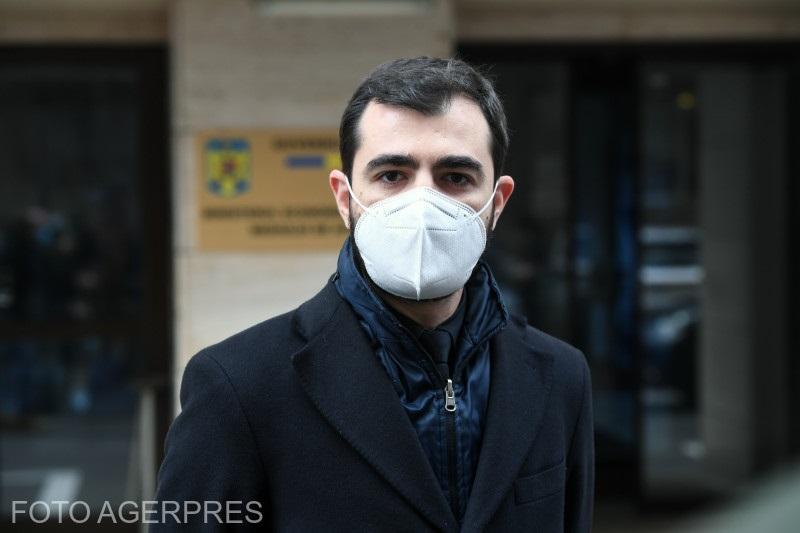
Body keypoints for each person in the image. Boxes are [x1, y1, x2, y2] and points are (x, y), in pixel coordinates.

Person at [152, 57, 594, 532]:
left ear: (497, 202)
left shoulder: (560, 378)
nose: (423, 203)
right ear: (345, 199)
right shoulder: (239, 387)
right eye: (392, 175)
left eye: (455, 177)